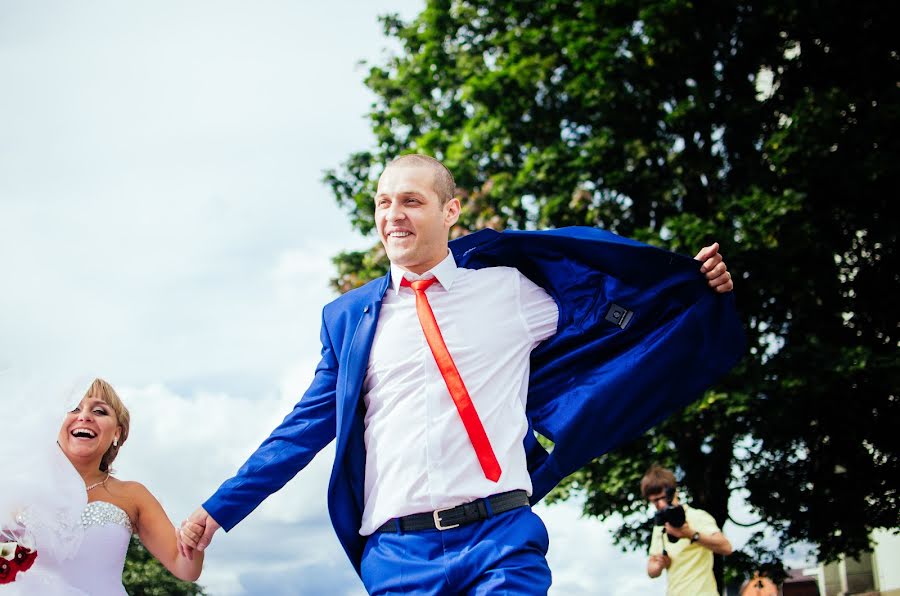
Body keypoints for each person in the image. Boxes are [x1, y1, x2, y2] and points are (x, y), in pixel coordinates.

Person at [179, 154, 744, 594]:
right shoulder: (350, 320)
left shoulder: (512, 291)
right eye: (382, 203)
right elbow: (301, 429)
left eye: (410, 201)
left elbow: (612, 310)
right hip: (399, 556)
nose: (392, 216)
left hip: (501, 538)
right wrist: (220, 509)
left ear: (449, 211)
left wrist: (692, 287)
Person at [1, 378, 203, 594]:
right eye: (73, 408)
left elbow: (185, 567)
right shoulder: (18, 488)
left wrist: (193, 540)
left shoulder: (133, 495)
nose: (85, 416)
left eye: (99, 411)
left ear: (117, 432)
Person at [643, 464, 733, 596]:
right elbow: (651, 569)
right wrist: (659, 565)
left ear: (674, 492)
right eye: (655, 501)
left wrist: (690, 534)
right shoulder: (660, 525)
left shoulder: (697, 516)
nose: (661, 504)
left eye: (663, 498)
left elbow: (726, 547)